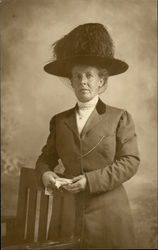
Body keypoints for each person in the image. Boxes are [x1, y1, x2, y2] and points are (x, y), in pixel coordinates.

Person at [35, 23, 140, 249]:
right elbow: (45, 160)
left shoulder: (119, 117)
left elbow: (130, 162)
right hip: (68, 215)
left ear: (101, 81)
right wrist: (47, 176)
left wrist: (89, 181)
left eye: (89, 75)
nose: (83, 81)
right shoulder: (59, 121)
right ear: (71, 82)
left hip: (109, 216)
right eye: (77, 76)